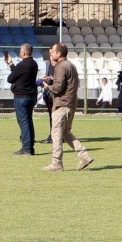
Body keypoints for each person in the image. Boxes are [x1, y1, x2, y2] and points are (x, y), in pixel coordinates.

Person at [41, 43, 93, 172]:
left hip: (62, 104)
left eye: (52, 51)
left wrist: (48, 86)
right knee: (65, 133)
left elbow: (58, 88)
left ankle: (57, 163)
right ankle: (85, 156)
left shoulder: (60, 66)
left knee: (56, 134)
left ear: (59, 53)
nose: (51, 53)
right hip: (70, 104)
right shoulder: (71, 65)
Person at [6, 44, 38, 156]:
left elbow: (10, 79)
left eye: (20, 51)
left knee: (23, 123)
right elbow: (19, 74)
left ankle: (26, 149)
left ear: (23, 53)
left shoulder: (22, 65)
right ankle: (30, 147)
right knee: (28, 121)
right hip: (30, 96)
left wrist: (11, 66)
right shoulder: (34, 64)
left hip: (21, 97)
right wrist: (11, 64)